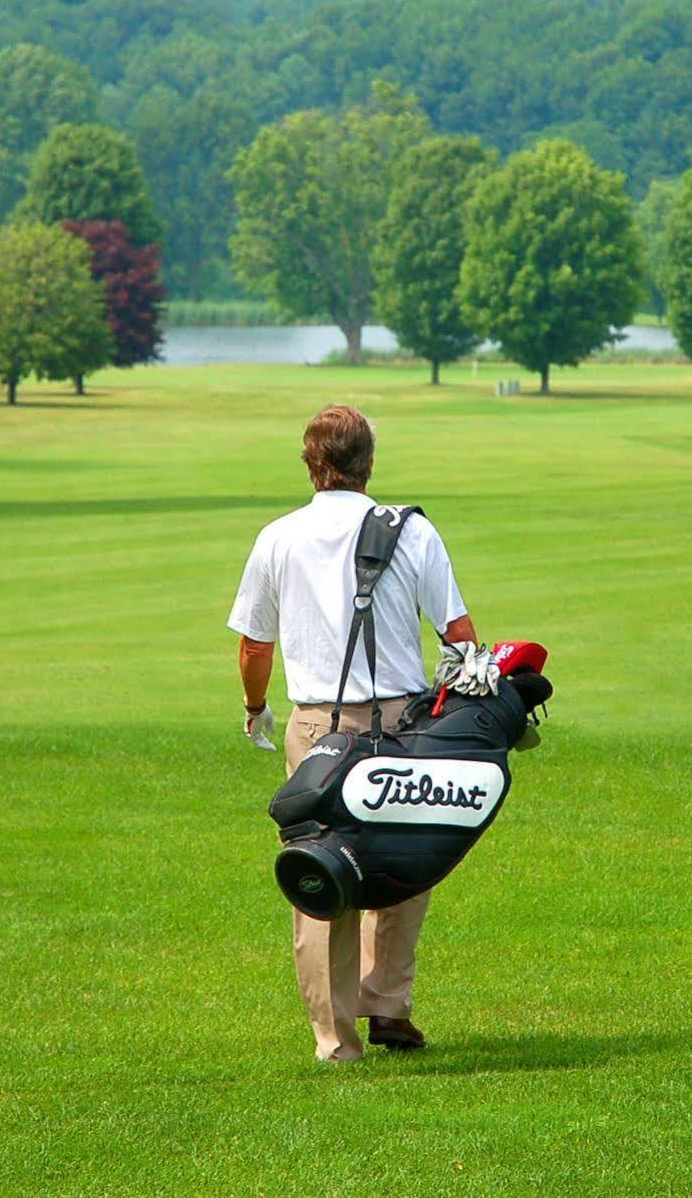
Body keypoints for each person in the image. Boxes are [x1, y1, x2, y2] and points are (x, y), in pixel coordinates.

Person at [228, 404, 477, 1062]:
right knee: (407, 860)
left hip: (315, 729)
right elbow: (459, 636)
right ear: (368, 461)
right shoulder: (412, 532)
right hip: (403, 722)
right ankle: (387, 1005)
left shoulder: (276, 535)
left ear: (311, 462)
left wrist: (255, 706)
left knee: (321, 875)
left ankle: (336, 1038)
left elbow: (255, 644)